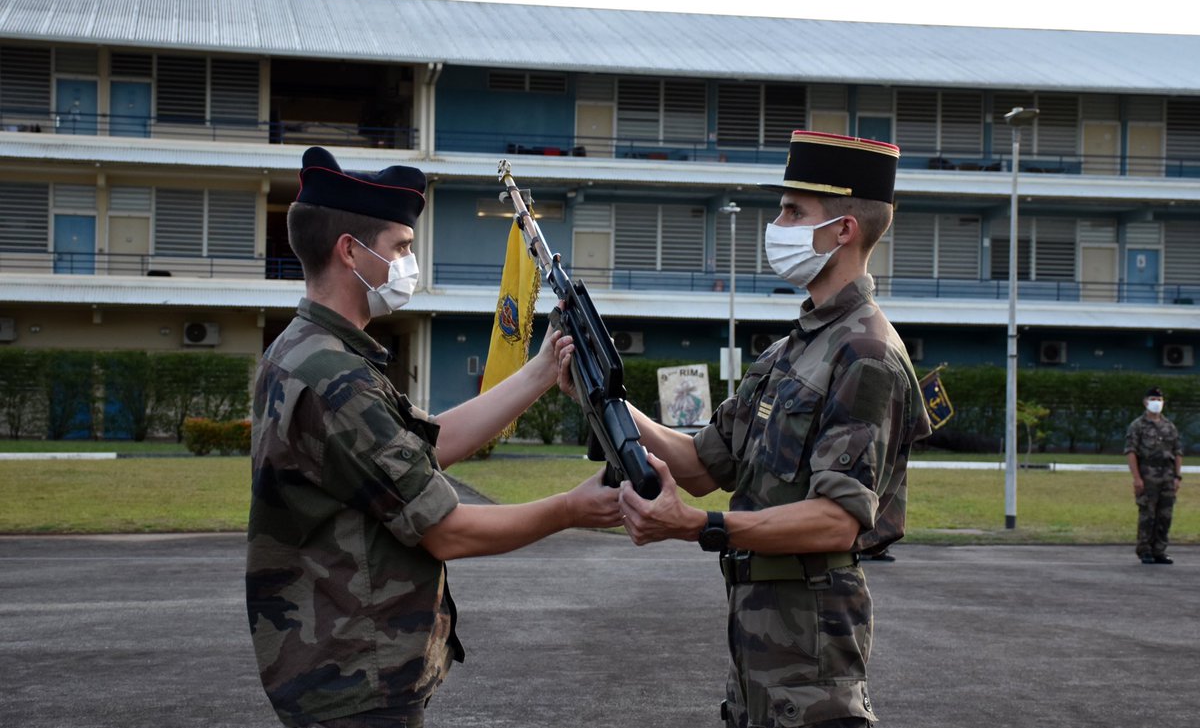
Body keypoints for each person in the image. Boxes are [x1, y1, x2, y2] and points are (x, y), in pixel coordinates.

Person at [246, 147, 622, 728]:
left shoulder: (307, 351)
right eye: (400, 247)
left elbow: (423, 445)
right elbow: (448, 531)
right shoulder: (334, 377)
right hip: (355, 675)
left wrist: (543, 370)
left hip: (336, 662)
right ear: (351, 251)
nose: (409, 262)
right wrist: (573, 507)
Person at [608, 131, 931, 728]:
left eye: (792, 210)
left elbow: (838, 519)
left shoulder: (865, 355)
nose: (775, 223)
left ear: (842, 230)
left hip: (810, 640)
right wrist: (607, 401)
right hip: (759, 631)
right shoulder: (793, 349)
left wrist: (698, 527)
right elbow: (705, 465)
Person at [1125, 385, 1184, 564]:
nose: (1156, 403)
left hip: (1167, 475)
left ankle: (1159, 550)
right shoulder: (1137, 426)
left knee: (1165, 514)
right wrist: (1136, 478)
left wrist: (1177, 476)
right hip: (1147, 474)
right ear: (1145, 402)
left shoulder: (1169, 426)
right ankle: (1145, 550)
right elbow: (1131, 452)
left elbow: (1178, 452)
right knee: (1147, 514)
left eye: (1159, 400)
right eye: (1153, 400)